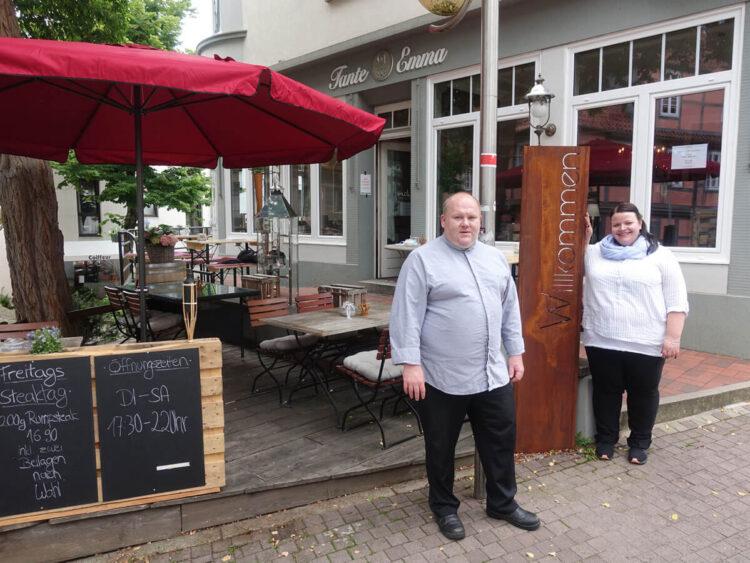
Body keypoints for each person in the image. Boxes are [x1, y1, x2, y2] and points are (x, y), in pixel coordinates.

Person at [390, 191, 540, 541]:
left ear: (480, 221)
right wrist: (411, 364)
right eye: (458, 217)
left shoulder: (495, 259)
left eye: (472, 217)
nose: (466, 223)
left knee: (501, 438)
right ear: (443, 221)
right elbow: (406, 314)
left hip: (491, 372)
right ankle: (444, 506)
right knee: (441, 445)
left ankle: (502, 502)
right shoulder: (422, 260)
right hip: (441, 376)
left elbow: (509, 309)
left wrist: (515, 353)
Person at [583, 202, 688, 465]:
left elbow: (677, 299)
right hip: (602, 339)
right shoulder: (595, 252)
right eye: (617, 224)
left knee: (643, 394)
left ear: (640, 223)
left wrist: (672, 337)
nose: (622, 228)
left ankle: (640, 442)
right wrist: (583, 239)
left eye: (628, 222)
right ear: (610, 226)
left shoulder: (660, 256)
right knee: (606, 392)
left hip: (646, 341)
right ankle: (606, 440)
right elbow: (573, 271)